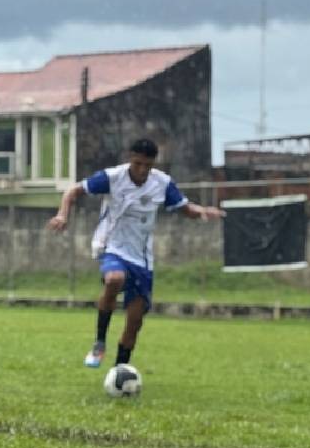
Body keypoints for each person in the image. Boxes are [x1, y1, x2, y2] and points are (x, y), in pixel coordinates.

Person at [47, 138, 225, 369]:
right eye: (138, 164)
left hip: (141, 258)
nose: (142, 170)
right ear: (130, 158)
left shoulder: (162, 183)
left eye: (147, 166)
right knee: (114, 279)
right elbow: (72, 191)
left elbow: (184, 208)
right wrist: (62, 215)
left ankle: (118, 372)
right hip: (112, 246)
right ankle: (100, 342)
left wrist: (202, 211)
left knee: (134, 322)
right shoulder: (112, 177)